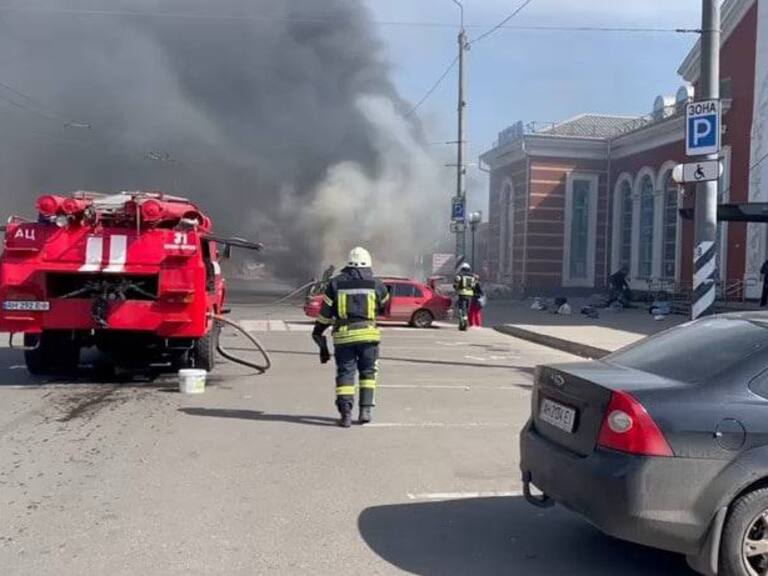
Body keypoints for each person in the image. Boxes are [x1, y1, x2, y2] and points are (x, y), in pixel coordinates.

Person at [312, 247, 389, 428]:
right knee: (368, 373)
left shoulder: (335, 283)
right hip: (368, 335)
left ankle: (345, 413)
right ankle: (365, 411)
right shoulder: (376, 283)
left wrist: (318, 331)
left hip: (344, 337)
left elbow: (325, 314)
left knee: (345, 374)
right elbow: (385, 304)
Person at [453, 262, 477, 331]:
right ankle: (465, 321)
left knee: (461, 308)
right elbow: (474, 286)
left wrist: (456, 288)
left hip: (462, 294)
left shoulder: (460, 275)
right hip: (470, 295)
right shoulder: (472, 276)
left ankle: (462, 322)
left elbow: (455, 284)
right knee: (466, 309)